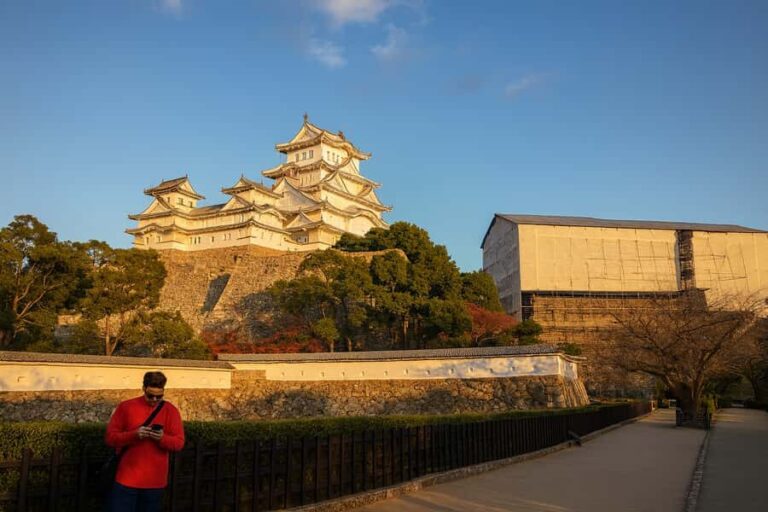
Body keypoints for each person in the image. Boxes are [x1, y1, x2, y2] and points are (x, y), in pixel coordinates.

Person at [105, 371, 185, 512]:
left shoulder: (170, 411)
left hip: (155, 482)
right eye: (150, 396)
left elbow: (178, 443)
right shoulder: (126, 407)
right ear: (143, 388)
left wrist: (161, 438)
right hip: (127, 479)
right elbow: (110, 438)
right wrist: (134, 435)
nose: (154, 400)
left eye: (159, 396)